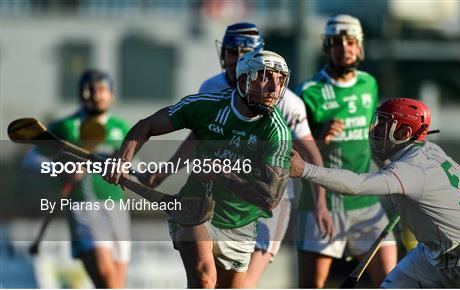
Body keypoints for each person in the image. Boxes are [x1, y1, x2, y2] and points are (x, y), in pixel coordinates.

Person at [140, 22, 325, 288]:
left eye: (244, 52)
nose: (235, 59)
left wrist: (321, 203)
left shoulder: (285, 100)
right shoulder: (211, 87)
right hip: (215, 199)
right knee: (205, 278)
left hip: (268, 198)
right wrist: (164, 172)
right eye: (230, 52)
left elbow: (310, 152)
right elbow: (200, 137)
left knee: (244, 285)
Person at [105, 50, 292, 288]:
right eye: (266, 77)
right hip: (194, 207)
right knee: (204, 279)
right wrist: (123, 160)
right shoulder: (207, 106)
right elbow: (147, 126)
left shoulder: (277, 131)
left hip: (240, 224)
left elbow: (270, 197)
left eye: (280, 79)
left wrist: (220, 173)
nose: (274, 87)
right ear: (244, 80)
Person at [290, 98, 460, 288]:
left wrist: (305, 169)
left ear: (405, 132)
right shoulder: (429, 150)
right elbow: (457, 170)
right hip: (431, 255)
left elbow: (355, 186)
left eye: (383, 124)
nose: (375, 130)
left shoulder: (410, 170)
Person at [295, 14, 397, 287]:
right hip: (324, 205)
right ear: (327, 47)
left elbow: (371, 136)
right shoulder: (307, 92)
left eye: (351, 42)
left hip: (366, 203)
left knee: (392, 281)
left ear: (360, 46)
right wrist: (318, 137)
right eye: (337, 43)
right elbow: (290, 153)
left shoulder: (369, 84)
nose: (345, 49)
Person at [31, 69, 131, 288]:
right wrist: (61, 167)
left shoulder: (121, 128)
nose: (96, 96)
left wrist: (126, 167)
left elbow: (137, 164)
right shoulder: (65, 127)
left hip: (117, 208)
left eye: (102, 90)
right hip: (83, 207)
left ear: (112, 95)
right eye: (91, 90)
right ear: (81, 94)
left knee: (116, 282)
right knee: (106, 277)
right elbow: (32, 159)